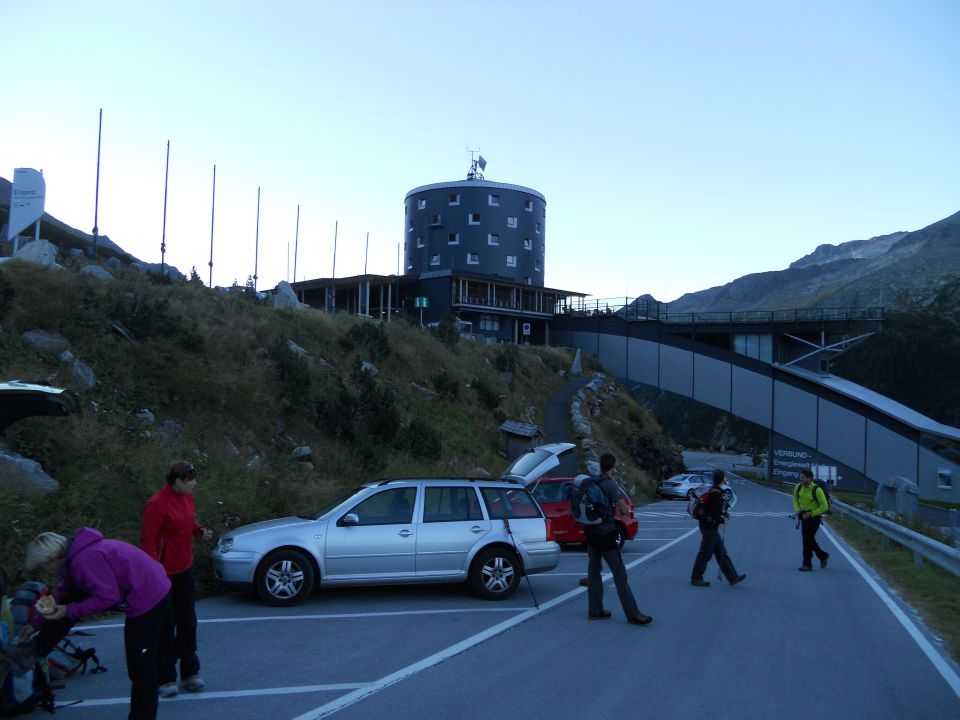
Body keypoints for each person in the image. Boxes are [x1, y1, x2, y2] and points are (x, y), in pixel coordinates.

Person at [1, 529, 171, 720]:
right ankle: (32, 651)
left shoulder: (85, 560)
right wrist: (35, 624)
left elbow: (108, 597)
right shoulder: (73, 556)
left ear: (52, 559)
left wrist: (69, 610)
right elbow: (61, 594)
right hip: (134, 589)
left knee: (140, 666)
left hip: (150, 597)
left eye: (42, 566)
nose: (43, 571)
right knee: (69, 598)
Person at [141, 460, 213, 698]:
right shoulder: (156, 504)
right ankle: (166, 677)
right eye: (191, 480)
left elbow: (188, 521)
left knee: (188, 622)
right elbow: (148, 540)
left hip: (184, 570)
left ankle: (190, 672)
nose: (195, 483)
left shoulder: (187, 497)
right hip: (163, 575)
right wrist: (154, 571)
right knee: (165, 625)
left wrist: (198, 530)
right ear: (178, 481)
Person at [584, 453, 652, 626]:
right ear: (613, 467)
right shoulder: (609, 485)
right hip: (605, 535)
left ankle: (595, 610)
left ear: (601, 465)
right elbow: (623, 509)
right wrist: (626, 512)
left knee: (593, 572)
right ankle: (633, 613)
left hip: (590, 532)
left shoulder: (593, 482)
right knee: (619, 574)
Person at [690, 469, 746, 587]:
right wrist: (723, 519)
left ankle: (733, 577)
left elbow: (713, 511)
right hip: (709, 527)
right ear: (722, 479)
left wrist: (722, 514)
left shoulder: (714, 491)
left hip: (707, 526)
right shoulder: (716, 494)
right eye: (724, 478)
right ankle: (696, 578)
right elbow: (714, 515)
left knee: (721, 553)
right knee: (705, 553)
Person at [793, 468, 830, 571]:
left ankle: (807, 565)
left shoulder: (817, 490)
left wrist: (811, 514)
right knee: (809, 540)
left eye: (803, 478)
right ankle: (822, 556)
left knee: (807, 541)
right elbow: (795, 498)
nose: (801, 480)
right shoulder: (798, 487)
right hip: (803, 517)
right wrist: (797, 509)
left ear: (810, 478)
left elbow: (825, 506)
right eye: (800, 478)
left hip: (814, 519)